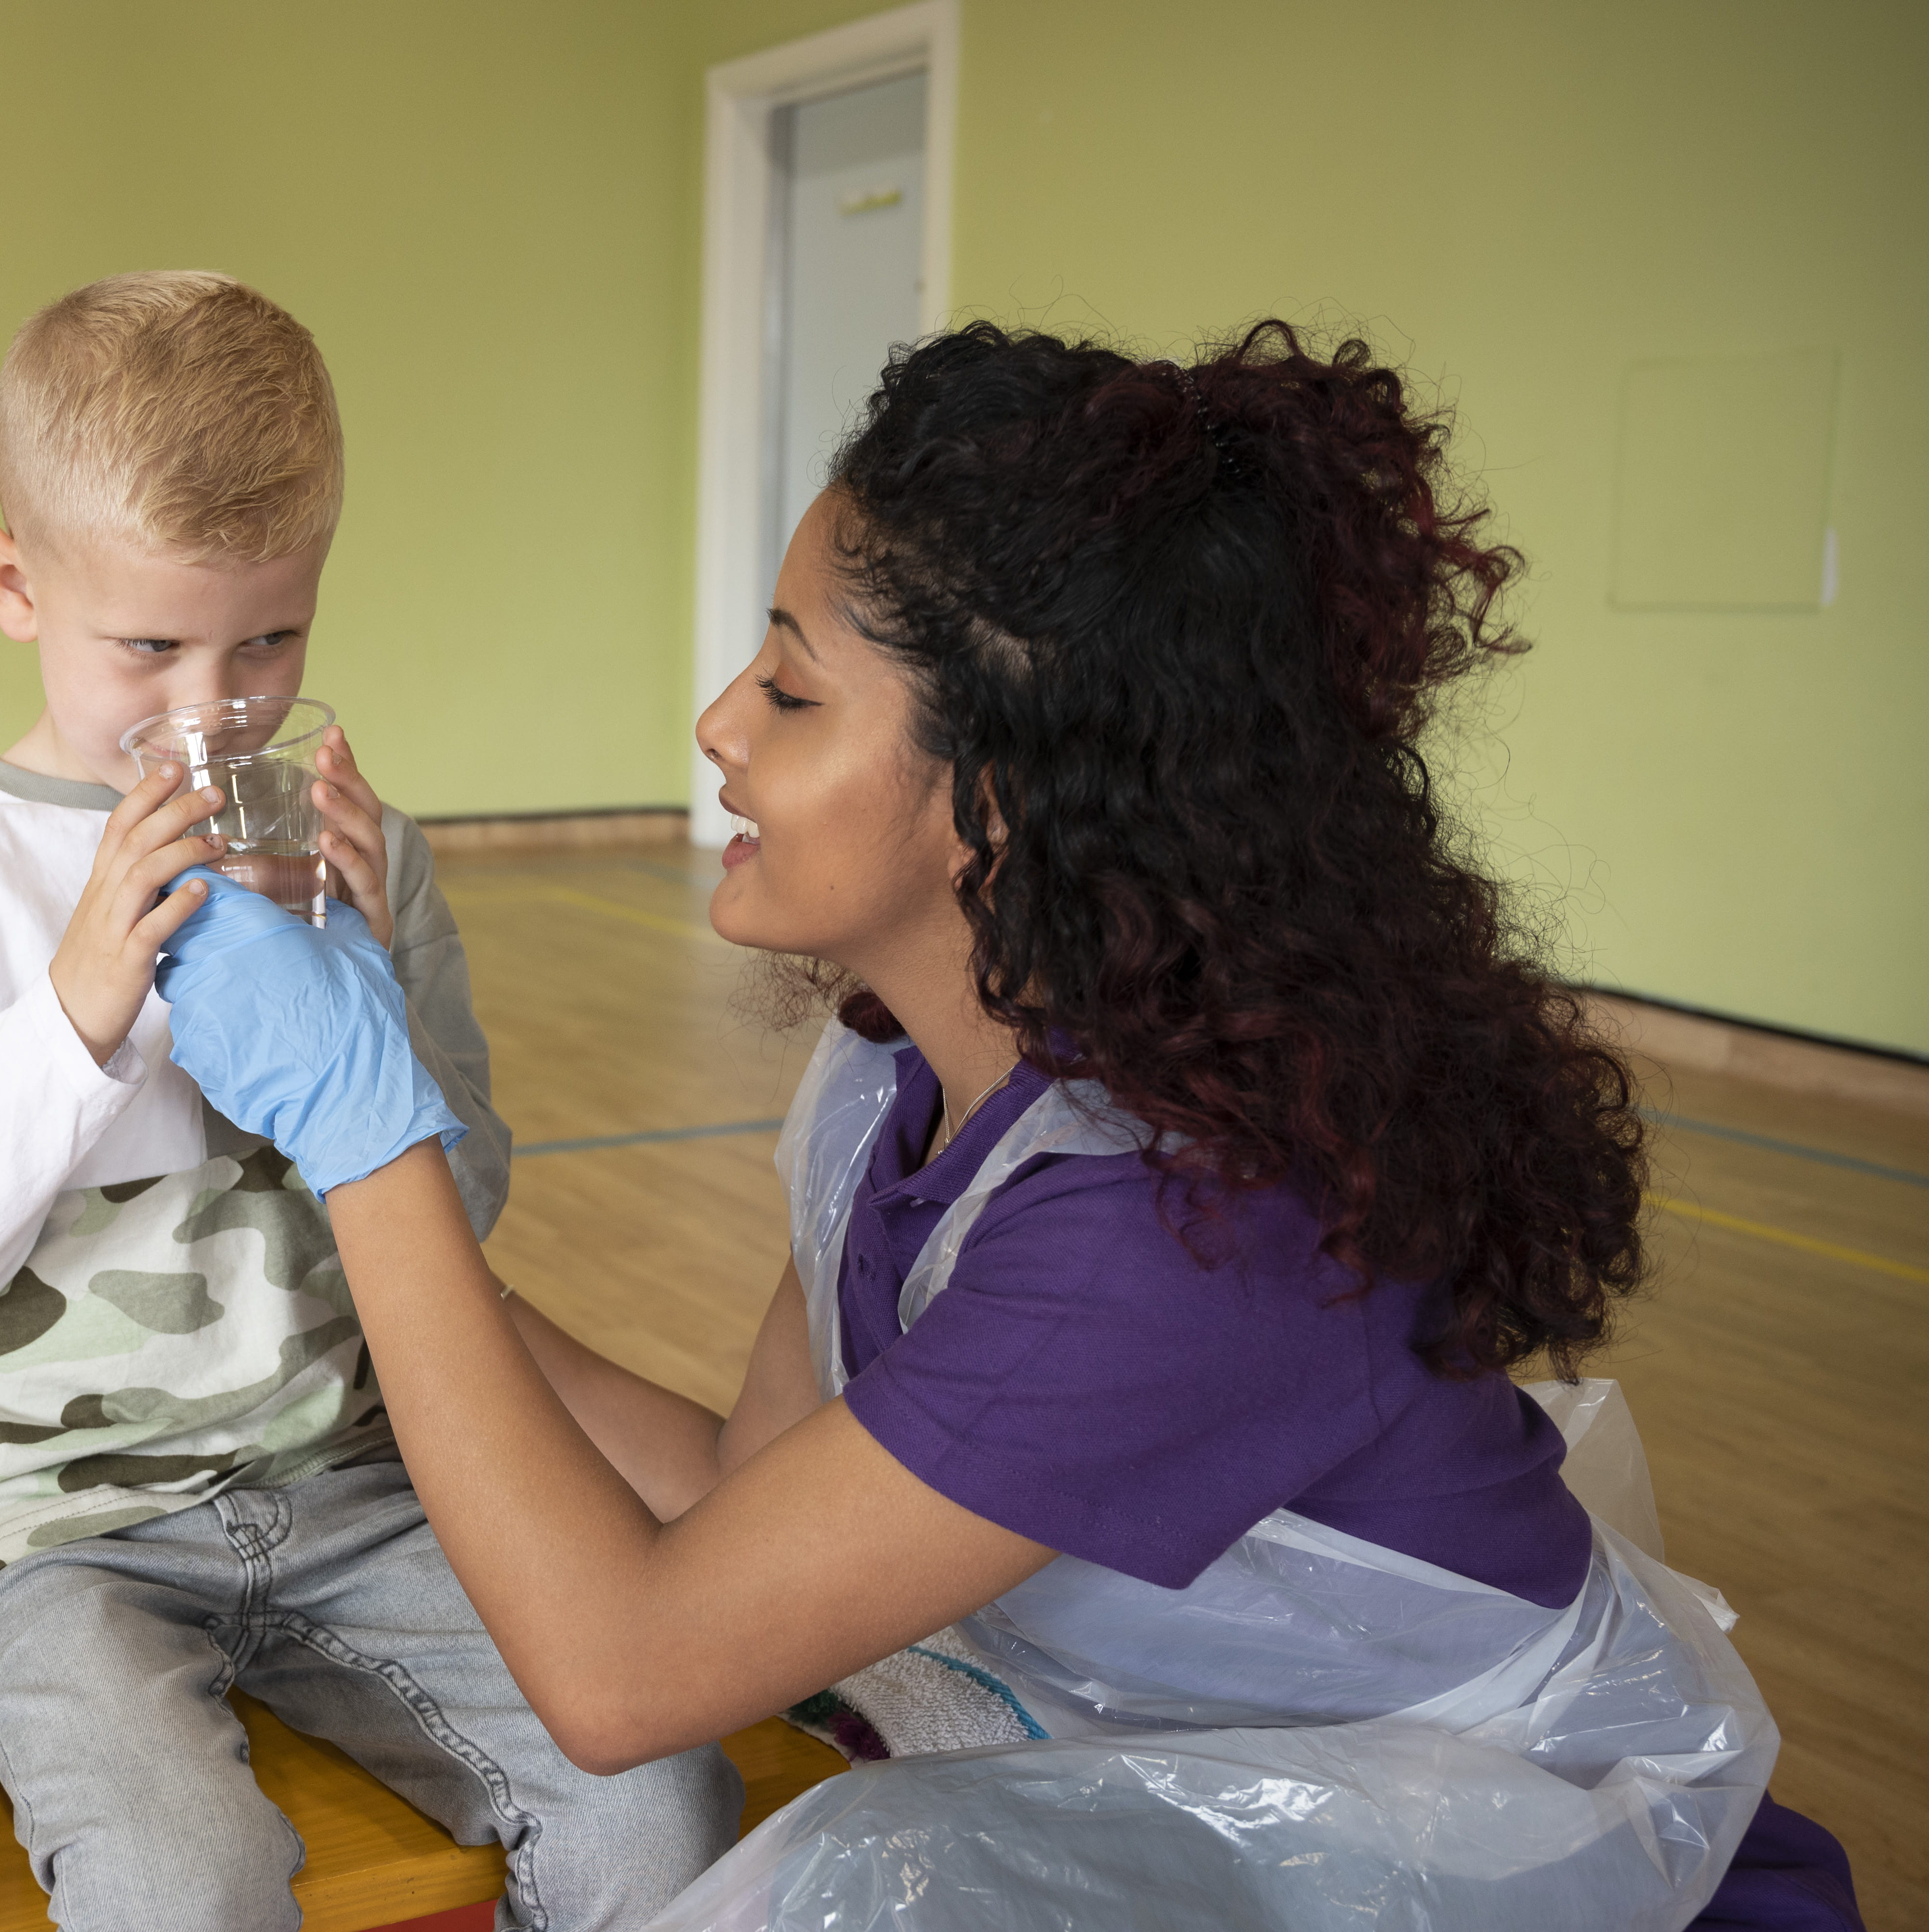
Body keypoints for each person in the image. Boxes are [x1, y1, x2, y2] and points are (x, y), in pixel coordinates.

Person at [152, 321, 1866, 1930]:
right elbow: (752, 1500)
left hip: (1515, 1877)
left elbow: (624, 1676)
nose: (720, 724)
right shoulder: (908, 1068)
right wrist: (393, 1291)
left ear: (1007, 793)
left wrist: (372, 1147)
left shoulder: (1182, 1234)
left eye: (797, 691)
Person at [0, 270, 740, 1932]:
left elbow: (472, 1205)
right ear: (15, 584)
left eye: (272, 639)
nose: (212, 706)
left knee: (662, 1796)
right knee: (185, 1885)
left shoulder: (366, 847)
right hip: (65, 1537)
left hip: (366, 1489)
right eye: (148, 645)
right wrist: (79, 1008)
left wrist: (379, 980)